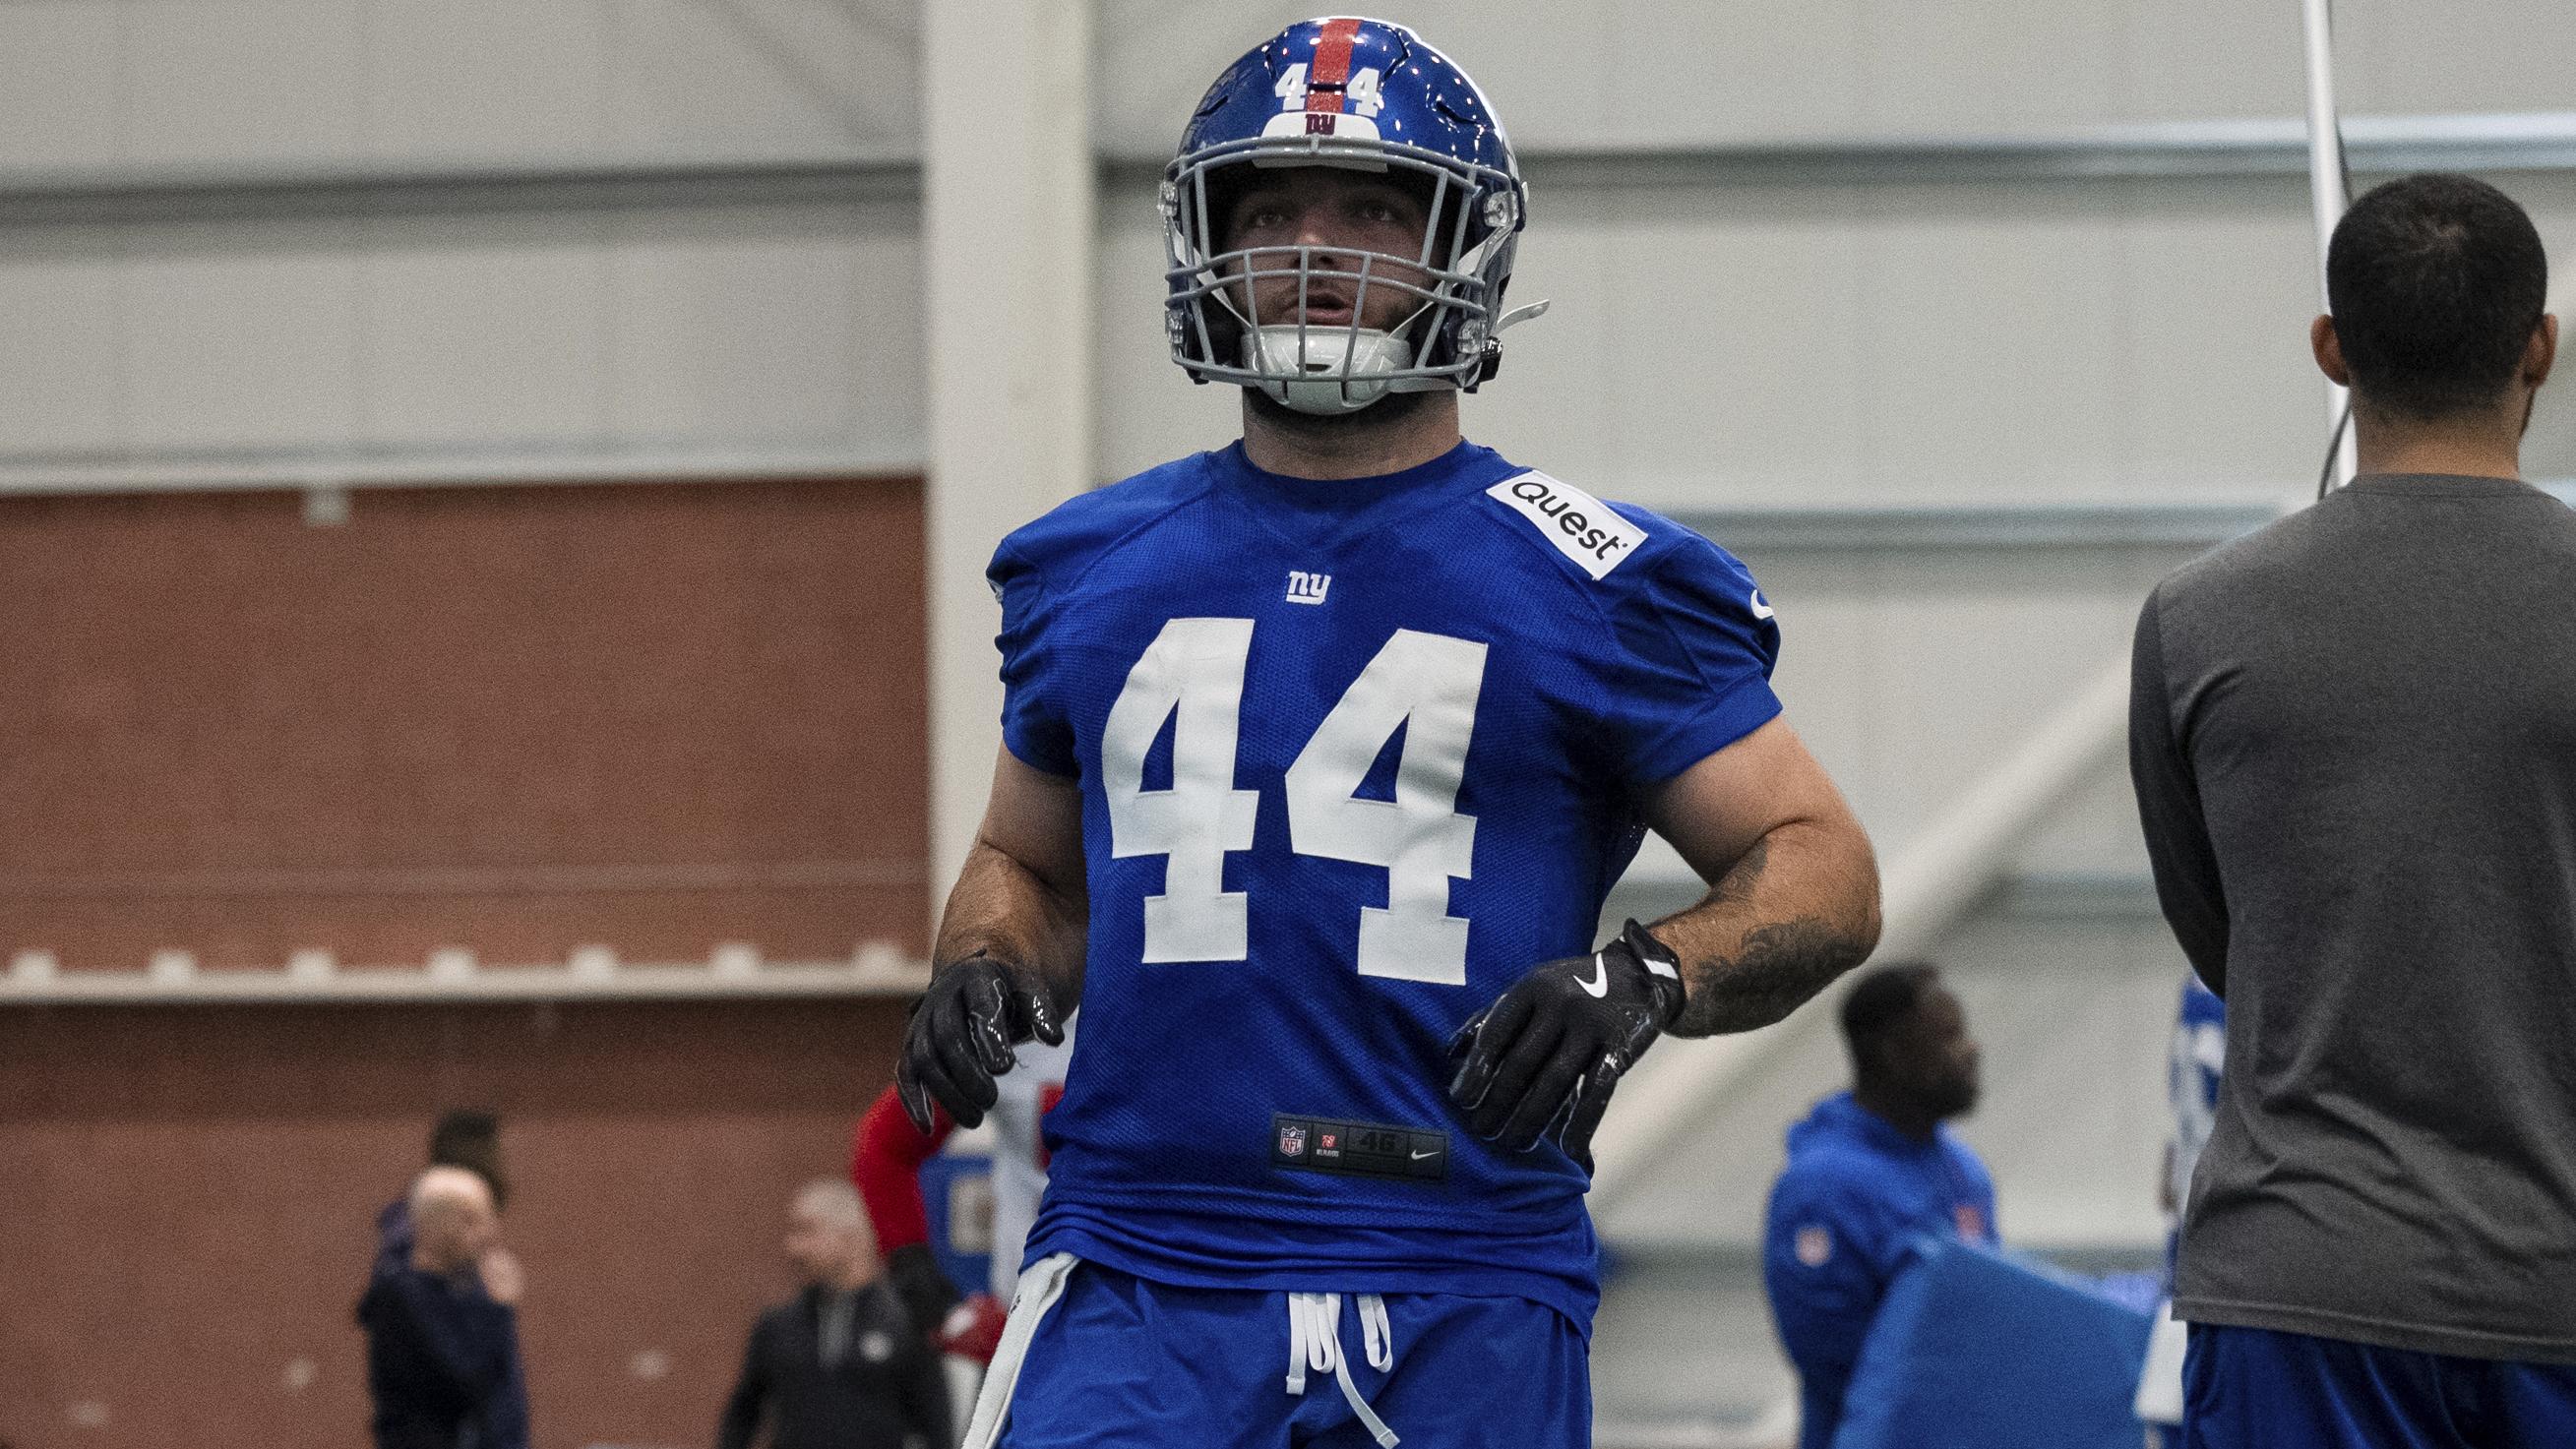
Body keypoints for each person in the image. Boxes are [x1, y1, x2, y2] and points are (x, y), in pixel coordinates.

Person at [894, 17, 1881, 1447]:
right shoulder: (1083, 563)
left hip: (1462, 1272)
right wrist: (981, 958)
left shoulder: (1594, 576)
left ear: (1454, 249)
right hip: (1137, 1262)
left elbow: (1822, 866)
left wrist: (1646, 976)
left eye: (1370, 207)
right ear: (1208, 248)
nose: (1314, 246)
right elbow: (1031, 868)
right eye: (1271, 210)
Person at [2129, 172, 2576, 1448]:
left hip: (2298, 1289)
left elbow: (2221, 938)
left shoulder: (2196, 619)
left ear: (2329, 348)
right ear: (2538, 345)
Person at [1761, 963, 1993, 1449]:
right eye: (1949, 1037)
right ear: (1894, 1053)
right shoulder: (1821, 1187)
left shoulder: (1963, 1171)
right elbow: (1831, 1358)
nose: (1972, 1050)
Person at [714, 1180, 952, 1449]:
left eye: (807, 1231)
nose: (794, 1248)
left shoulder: (904, 1323)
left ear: (849, 1237)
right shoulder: (776, 1327)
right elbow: (741, 1417)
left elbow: (936, 1425)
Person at [370, 1110, 527, 1449]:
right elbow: (465, 1375)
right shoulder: (412, 1282)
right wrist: (496, 1312)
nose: (488, 1233)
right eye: (473, 1221)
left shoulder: (455, 1272)